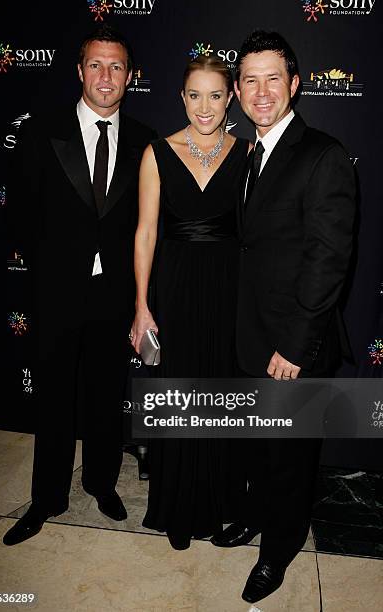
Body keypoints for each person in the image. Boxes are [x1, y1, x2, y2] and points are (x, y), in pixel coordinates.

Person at [210, 31, 356, 603]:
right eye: (250, 79)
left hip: (295, 345)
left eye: (274, 78)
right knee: (256, 447)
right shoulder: (249, 155)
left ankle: (278, 552)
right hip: (250, 337)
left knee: (291, 457)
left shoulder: (323, 155)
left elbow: (328, 260)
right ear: (238, 92)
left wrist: (295, 347)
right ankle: (253, 516)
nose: (261, 90)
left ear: (295, 85)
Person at [3, 25, 156, 546]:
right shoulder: (42, 131)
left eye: (116, 67)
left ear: (130, 76)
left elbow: (146, 222)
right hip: (56, 293)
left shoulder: (145, 142)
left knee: (106, 395)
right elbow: (20, 213)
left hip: (114, 295)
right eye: (96, 65)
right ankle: (46, 498)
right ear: (79, 71)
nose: (105, 77)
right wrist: (51, 268)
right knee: (54, 402)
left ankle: (101, 484)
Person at [130, 55, 250, 550]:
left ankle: (220, 504)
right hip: (173, 291)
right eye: (195, 95)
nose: (205, 107)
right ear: (181, 97)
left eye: (216, 95)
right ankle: (177, 508)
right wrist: (141, 305)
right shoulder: (156, 153)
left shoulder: (248, 153)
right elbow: (145, 233)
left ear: (231, 99)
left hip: (228, 292)